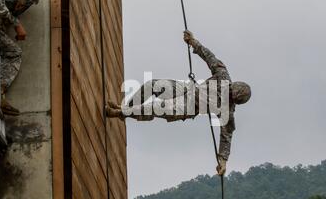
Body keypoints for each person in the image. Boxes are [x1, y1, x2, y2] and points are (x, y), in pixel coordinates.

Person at [106, 31, 251, 176]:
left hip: (189, 107)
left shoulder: (228, 111)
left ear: (234, 101)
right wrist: (192, 41)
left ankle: (120, 113)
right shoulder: (223, 76)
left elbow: (226, 138)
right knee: (153, 85)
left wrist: (223, 162)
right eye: (229, 90)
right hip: (189, 89)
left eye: (230, 96)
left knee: (156, 107)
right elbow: (209, 56)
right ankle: (126, 109)